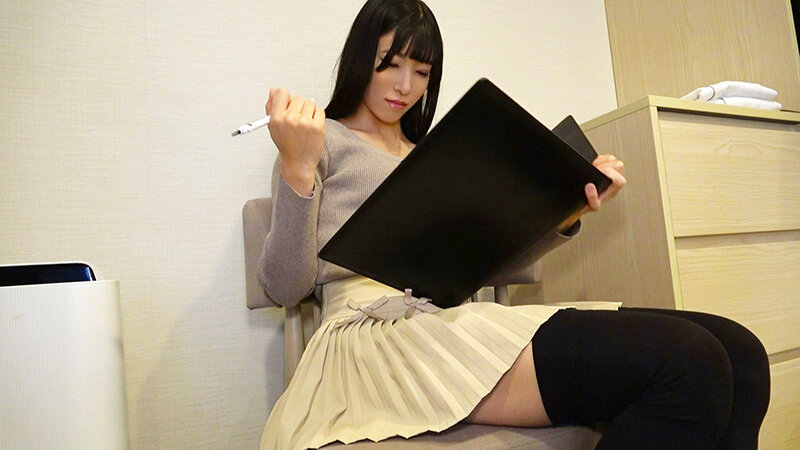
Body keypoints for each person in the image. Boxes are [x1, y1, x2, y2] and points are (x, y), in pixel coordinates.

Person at [258, 1, 771, 448]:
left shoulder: (433, 156)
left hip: (445, 319)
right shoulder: (318, 141)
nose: (406, 86)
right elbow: (285, 287)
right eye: (389, 64)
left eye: (422, 71)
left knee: (741, 354)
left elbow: (478, 267)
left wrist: (566, 210)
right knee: (689, 361)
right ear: (359, 60)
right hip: (372, 340)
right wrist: (298, 168)